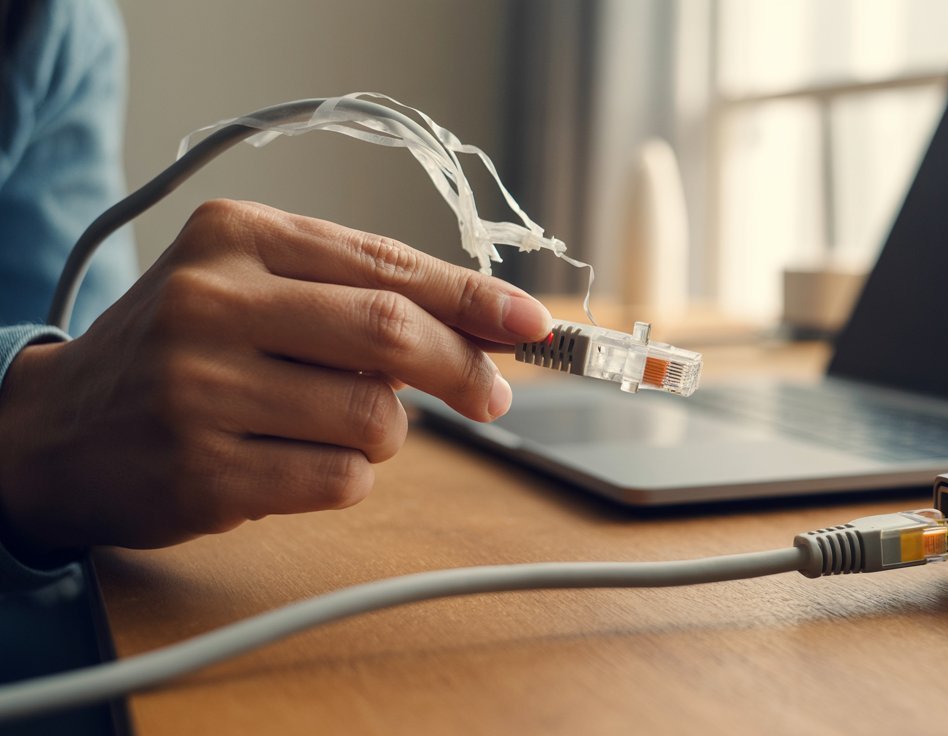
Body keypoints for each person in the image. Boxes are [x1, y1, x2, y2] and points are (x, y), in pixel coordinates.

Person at [0, 1, 551, 588]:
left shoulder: (54, 25)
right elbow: (77, 406)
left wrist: (67, 400)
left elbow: (100, 382)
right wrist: (28, 422)